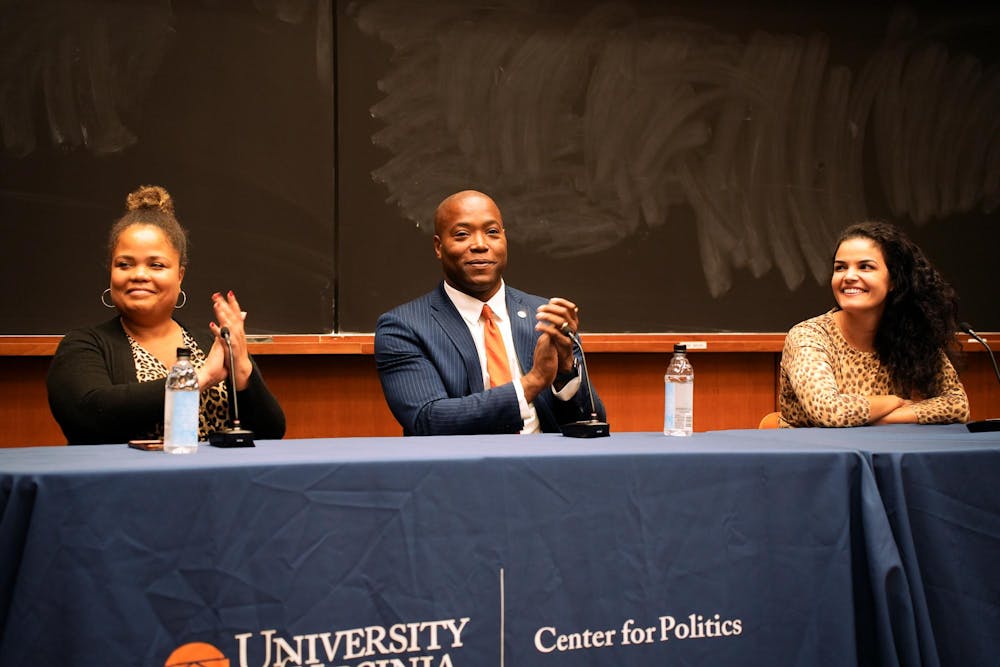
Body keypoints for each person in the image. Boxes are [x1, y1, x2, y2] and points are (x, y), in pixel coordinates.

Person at [47, 185, 286, 444]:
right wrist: (200, 379)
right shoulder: (83, 346)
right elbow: (88, 417)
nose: (139, 275)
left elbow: (270, 434)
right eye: (124, 264)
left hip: (218, 483)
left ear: (180, 275)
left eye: (156, 265)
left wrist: (242, 369)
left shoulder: (211, 345)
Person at [374, 189, 605, 435]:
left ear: (504, 240)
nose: (480, 245)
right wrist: (532, 382)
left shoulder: (546, 317)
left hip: (543, 467)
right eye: (462, 234)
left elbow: (591, 425)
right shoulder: (403, 327)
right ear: (438, 247)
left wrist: (565, 372)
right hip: (462, 469)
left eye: (492, 232)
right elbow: (427, 419)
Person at [779, 221, 969, 427]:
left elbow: (958, 406)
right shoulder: (808, 336)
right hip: (817, 456)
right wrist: (895, 402)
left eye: (865, 267)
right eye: (840, 267)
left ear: (894, 281)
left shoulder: (914, 334)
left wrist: (882, 418)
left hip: (890, 454)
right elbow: (829, 412)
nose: (849, 276)